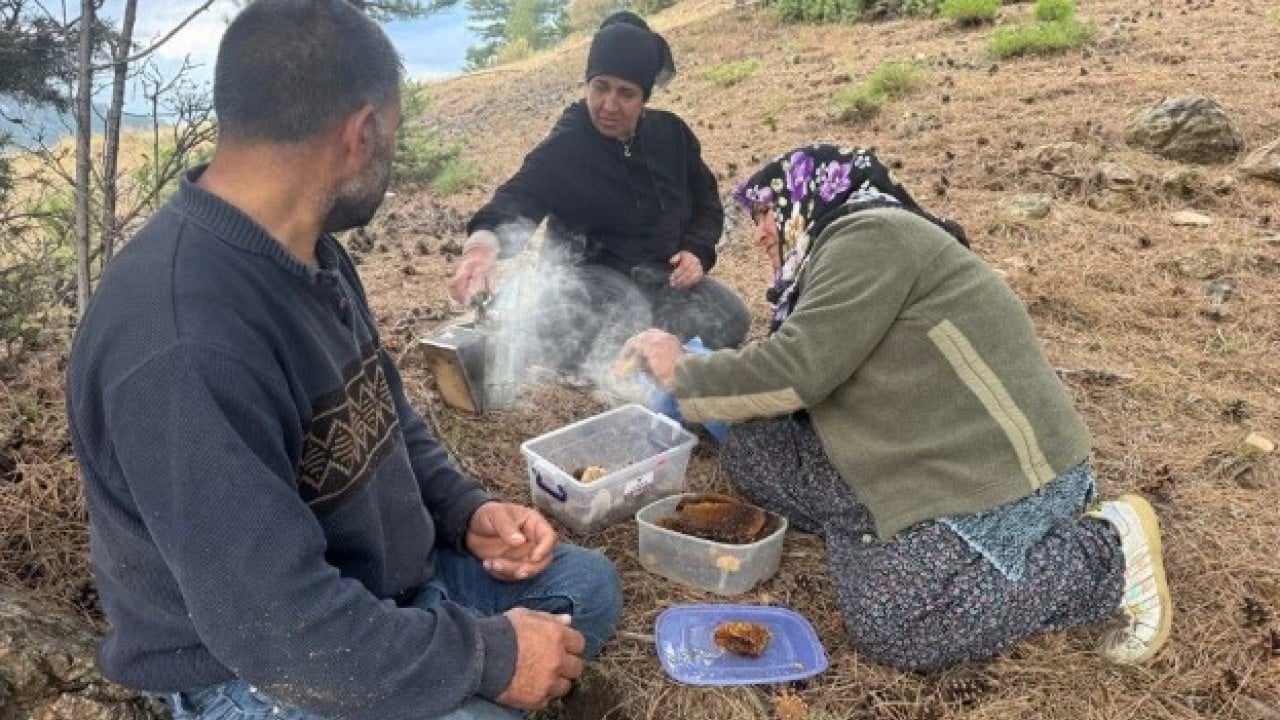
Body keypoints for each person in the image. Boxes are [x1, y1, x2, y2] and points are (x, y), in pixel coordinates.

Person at [64, 3, 621, 720]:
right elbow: (282, 630)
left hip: (376, 596)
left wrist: (464, 511)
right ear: (362, 133)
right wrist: (489, 656)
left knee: (587, 588)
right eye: (391, 130)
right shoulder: (180, 338)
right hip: (259, 668)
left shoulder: (308, 249)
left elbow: (380, 407)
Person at [622, 144, 1172, 671]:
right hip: (918, 443)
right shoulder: (845, 249)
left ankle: (1107, 554)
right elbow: (804, 369)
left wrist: (683, 369)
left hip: (1004, 470)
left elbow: (798, 370)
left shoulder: (868, 237)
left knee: (896, 622)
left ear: (806, 197)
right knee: (752, 448)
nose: (761, 234)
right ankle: (877, 529)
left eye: (766, 213)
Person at [447, 11, 750, 376]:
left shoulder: (672, 135)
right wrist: (480, 253)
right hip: (589, 283)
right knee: (612, 312)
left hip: (660, 280)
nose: (608, 105)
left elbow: (706, 204)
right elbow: (518, 198)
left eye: (626, 93)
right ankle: (634, 356)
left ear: (644, 98)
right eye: (600, 87)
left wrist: (696, 252)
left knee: (732, 317)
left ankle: (644, 351)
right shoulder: (568, 144)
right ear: (588, 83)